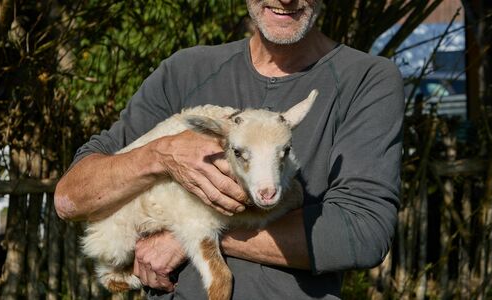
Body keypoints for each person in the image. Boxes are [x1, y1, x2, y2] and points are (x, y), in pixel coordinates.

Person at [54, 0, 404, 298]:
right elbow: (71, 197)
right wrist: (161, 155)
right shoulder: (186, 71)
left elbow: (363, 232)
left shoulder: (367, 80)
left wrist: (189, 234)